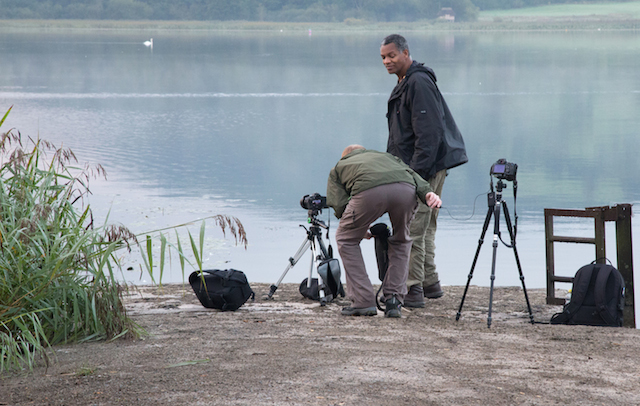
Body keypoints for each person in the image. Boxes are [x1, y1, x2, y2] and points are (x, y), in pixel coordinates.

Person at [380, 34, 468, 308]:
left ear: (406, 53)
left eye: (391, 55)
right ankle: (430, 283)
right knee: (426, 226)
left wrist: (414, 177)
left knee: (412, 228)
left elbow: (429, 135)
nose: (387, 61)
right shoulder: (406, 82)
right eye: (383, 57)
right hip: (425, 165)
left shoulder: (418, 82)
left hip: (424, 167)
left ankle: (412, 289)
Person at [326, 145, 442, 318]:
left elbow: (339, 203)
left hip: (368, 193)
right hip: (405, 190)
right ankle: (394, 300)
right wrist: (428, 193)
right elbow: (414, 175)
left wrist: (357, 227)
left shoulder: (339, 166)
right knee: (402, 241)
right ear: (364, 152)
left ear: (345, 156)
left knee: (346, 239)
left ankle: (363, 301)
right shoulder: (386, 157)